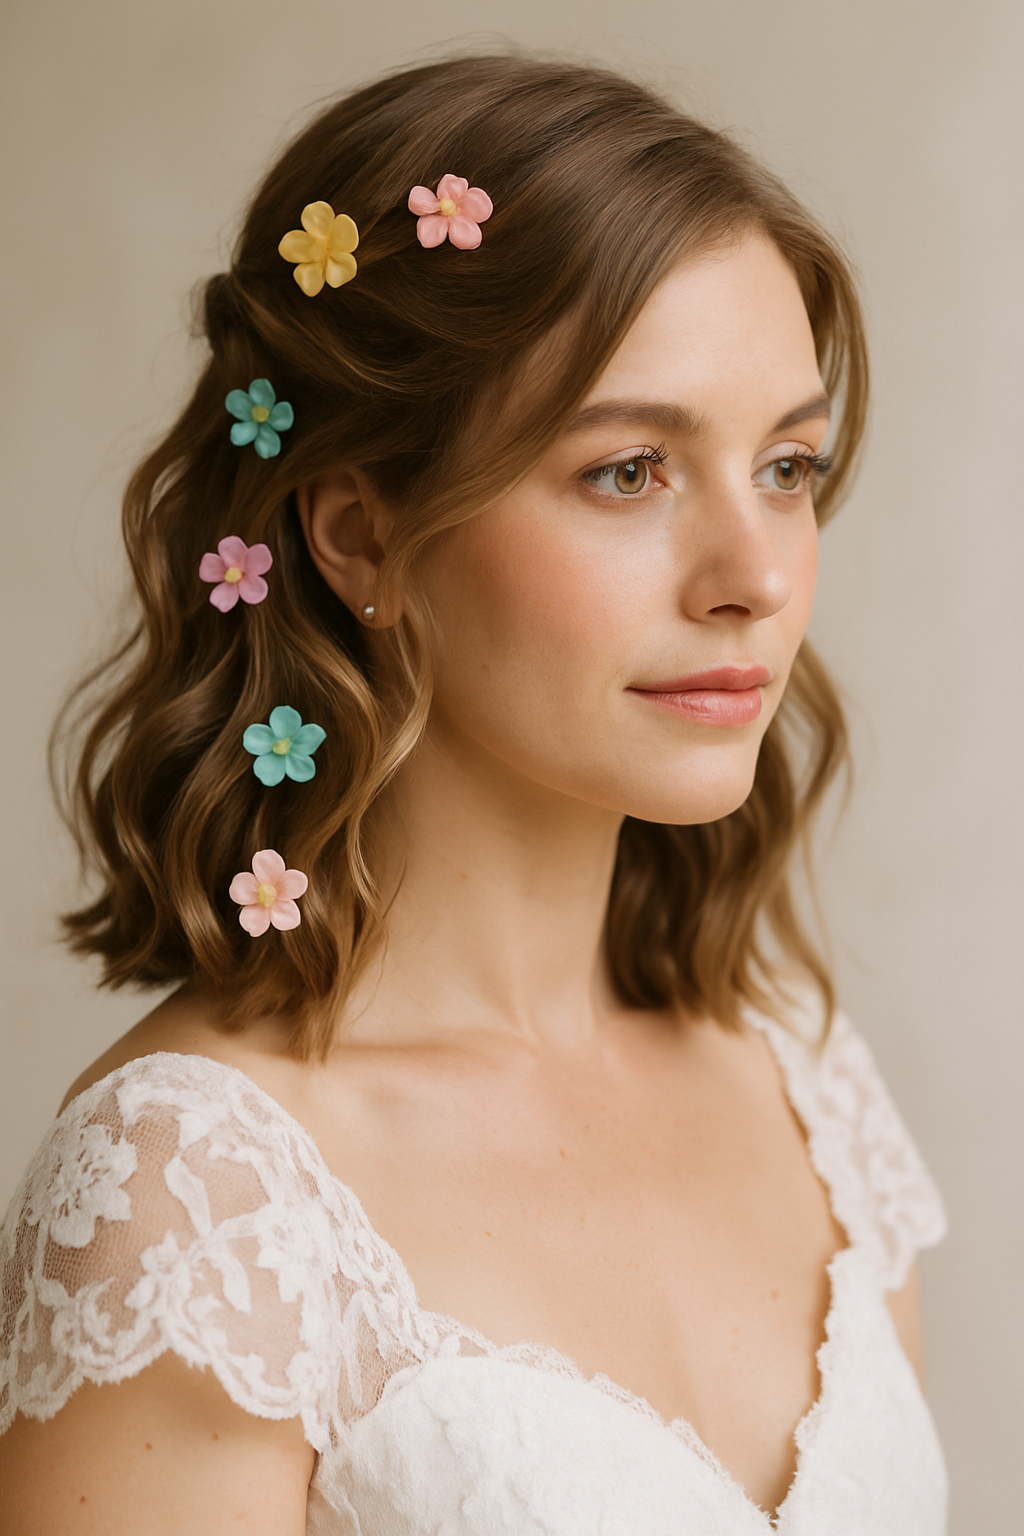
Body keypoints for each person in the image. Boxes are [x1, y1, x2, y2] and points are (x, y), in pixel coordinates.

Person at [0, 52, 947, 1535]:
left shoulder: (804, 1084)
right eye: (630, 469)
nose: (758, 578)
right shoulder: (197, 1200)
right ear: (359, 534)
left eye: (787, 463)